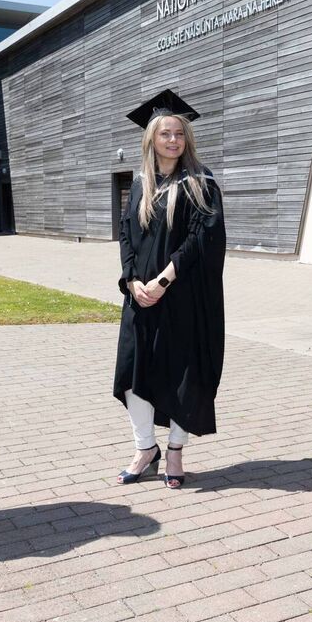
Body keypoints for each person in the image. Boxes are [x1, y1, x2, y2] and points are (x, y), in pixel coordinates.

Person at [113, 89, 225, 489]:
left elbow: (200, 239)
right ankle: (146, 448)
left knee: (183, 375)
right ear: (151, 139)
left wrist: (162, 281)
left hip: (181, 297)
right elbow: (126, 235)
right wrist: (131, 281)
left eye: (179, 133)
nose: (173, 140)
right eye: (166, 134)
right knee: (131, 374)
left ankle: (175, 450)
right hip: (140, 297)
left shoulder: (201, 182)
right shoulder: (140, 183)